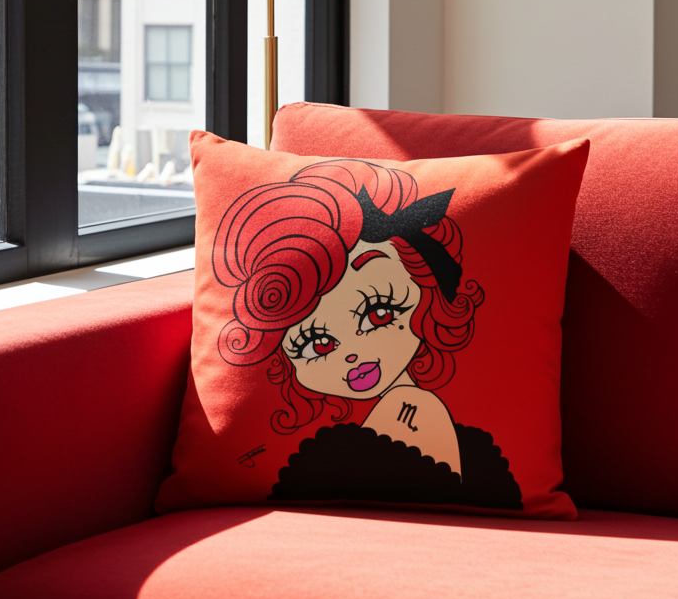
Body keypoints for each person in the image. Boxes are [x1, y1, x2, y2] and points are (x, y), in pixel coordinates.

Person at [213, 159, 521, 507]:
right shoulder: (404, 409)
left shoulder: (410, 410)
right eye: (319, 343)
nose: (352, 354)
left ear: (427, 292)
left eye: (379, 312)